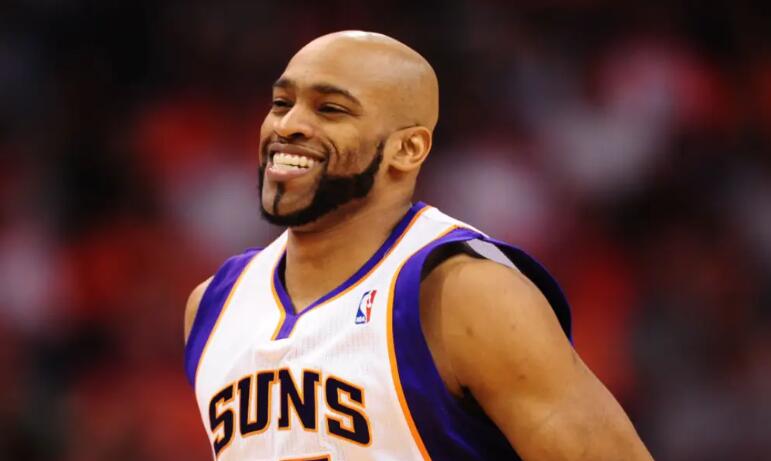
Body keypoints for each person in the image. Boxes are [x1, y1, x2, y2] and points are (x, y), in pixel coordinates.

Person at [183, 30, 653, 461]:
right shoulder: (213, 305)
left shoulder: (464, 294)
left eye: (330, 109)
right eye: (282, 103)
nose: (288, 125)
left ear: (407, 149)